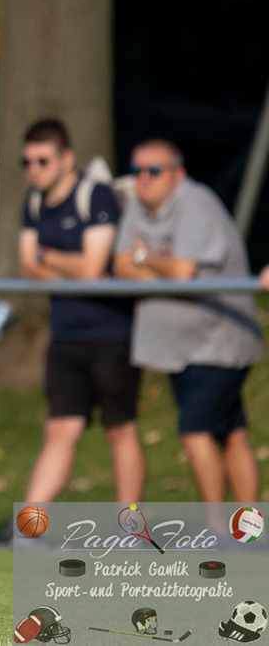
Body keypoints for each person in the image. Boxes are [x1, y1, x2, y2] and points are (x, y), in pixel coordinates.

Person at [0, 120, 143, 546]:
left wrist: (49, 257)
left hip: (112, 334)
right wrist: (65, 264)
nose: (33, 169)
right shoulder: (34, 201)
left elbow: (93, 271)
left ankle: (131, 530)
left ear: (67, 159)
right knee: (61, 431)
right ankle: (27, 530)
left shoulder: (96, 196)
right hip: (66, 335)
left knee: (120, 430)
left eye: (43, 160)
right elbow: (27, 267)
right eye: (27, 161)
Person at [112, 139, 263, 503]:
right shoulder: (139, 206)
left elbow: (183, 272)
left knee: (195, 432)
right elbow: (119, 266)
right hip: (178, 348)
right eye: (137, 171)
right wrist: (152, 266)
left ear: (178, 175)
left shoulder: (196, 204)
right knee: (232, 433)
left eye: (154, 170)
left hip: (219, 342)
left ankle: (218, 532)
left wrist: (143, 258)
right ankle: (252, 533)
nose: (143, 179)